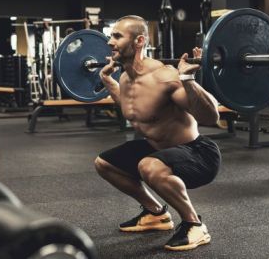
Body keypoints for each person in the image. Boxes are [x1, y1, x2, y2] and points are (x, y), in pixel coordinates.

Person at [94, 15, 221, 251]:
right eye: (111, 36)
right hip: (158, 149)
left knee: (148, 165)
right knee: (104, 163)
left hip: (198, 154)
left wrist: (188, 79)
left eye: (117, 36)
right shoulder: (124, 78)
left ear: (139, 41)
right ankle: (156, 214)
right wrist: (106, 80)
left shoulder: (164, 77)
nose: (110, 42)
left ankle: (195, 225)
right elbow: (132, 109)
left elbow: (211, 117)